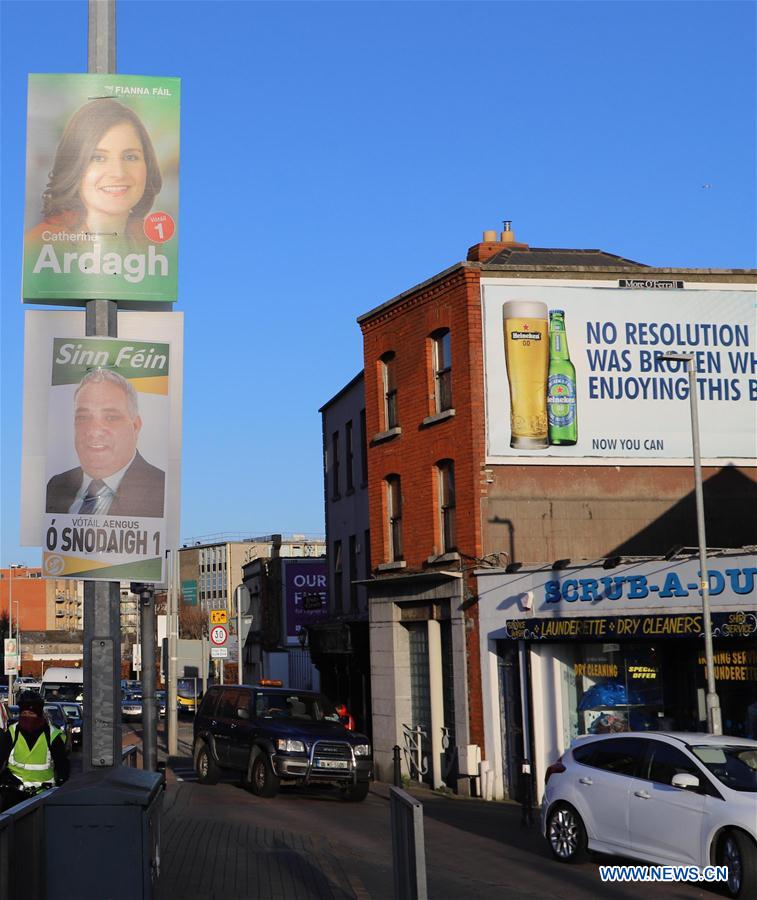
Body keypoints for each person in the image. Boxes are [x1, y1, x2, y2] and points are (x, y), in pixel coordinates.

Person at [26, 97, 162, 245]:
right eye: (98, 158)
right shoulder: (39, 246)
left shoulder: (154, 242)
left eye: (130, 157)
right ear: (74, 167)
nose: (119, 173)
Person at [46, 368, 165, 517]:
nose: (94, 430)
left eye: (111, 418)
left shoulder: (163, 490)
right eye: (83, 417)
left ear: (135, 426)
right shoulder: (55, 486)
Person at [0, 692, 69, 810]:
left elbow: (63, 767)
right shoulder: (11, 733)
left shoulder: (52, 736)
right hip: (14, 794)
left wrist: (60, 786)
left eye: (31, 714)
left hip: (44, 796)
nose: (28, 717)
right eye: (24, 713)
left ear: (39, 715)